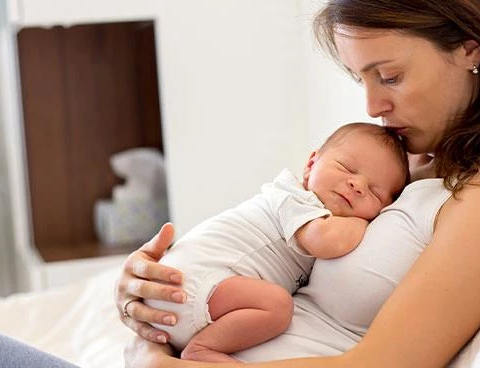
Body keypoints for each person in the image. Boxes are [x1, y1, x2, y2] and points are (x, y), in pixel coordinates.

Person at [113, 0, 480, 367]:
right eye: (361, 79)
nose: (373, 106)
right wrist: (150, 296)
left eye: (390, 76)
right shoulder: (392, 171)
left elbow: (382, 364)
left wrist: (159, 363)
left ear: (470, 50)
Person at [143, 122, 409, 362]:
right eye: (346, 168)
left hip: (190, 300)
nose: (357, 185)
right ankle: (202, 349)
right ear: (310, 165)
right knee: (278, 306)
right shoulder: (294, 197)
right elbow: (324, 241)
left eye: (375, 192)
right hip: (189, 284)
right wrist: (362, 221)